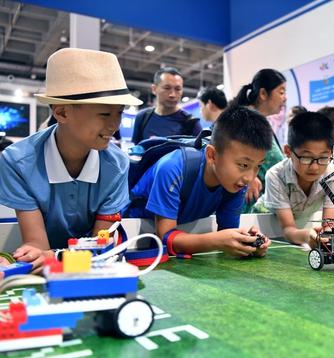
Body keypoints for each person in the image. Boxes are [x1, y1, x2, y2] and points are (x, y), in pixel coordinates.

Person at [0, 48, 142, 271]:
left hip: (89, 268)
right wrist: (38, 256)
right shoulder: (17, 163)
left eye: (119, 113)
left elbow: (101, 248)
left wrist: (54, 257)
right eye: (105, 114)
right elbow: (37, 245)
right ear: (62, 112)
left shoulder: (117, 166)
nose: (115, 125)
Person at [126, 105, 273, 257]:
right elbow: (165, 237)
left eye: (258, 166)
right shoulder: (172, 168)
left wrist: (247, 242)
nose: (249, 178)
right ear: (212, 155)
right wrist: (217, 241)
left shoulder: (236, 184)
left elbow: (226, 233)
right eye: (244, 165)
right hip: (131, 238)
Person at [253, 112, 334, 248]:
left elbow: (329, 226)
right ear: (288, 151)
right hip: (263, 228)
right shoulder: (276, 175)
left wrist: (328, 237)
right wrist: (308, 236)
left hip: (298, 229)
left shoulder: (332, 175)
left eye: (323, 158)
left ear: (332, 152)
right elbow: (288, 229)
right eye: (306, 158)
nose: (314, 167)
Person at [233, 69, 287, 212]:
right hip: (246, 208)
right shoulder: (244, 119)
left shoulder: (258, 120)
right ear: (263, 94)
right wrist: (248, 176)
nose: (285, 98)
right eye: (281, 92)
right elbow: (229, 154)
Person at [131, 67, 201, 144]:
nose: (172, 95)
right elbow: (136, 151)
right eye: (167, 88)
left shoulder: (191, 123)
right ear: (154, 89)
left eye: (178, 89)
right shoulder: (142, 117)